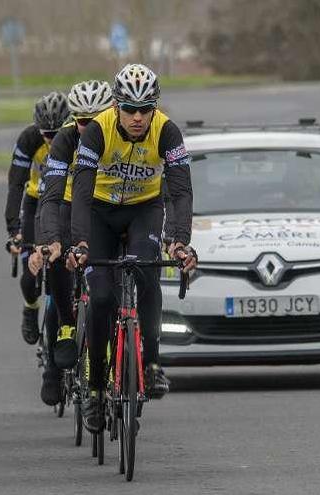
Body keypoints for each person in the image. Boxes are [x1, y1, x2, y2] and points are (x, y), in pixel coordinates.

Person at [66, 64, 197, 433]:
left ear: (154, 107)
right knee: (103, 297)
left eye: (145, 109)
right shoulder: (98, 129)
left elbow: (182, 191)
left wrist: (180, 238)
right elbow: (79, 191)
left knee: (147, 273)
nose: (137, 117)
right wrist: (79, 241)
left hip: (144, 209)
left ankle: (152, 365)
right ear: (116, 105)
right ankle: (94, 390)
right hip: (100, 212)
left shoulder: (167, 131)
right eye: (129, 108)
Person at [29, 80, 114, 406]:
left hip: (106, 210)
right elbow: (48, 195)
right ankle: (58, 350)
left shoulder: (124, 136)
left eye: (98, 120)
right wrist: (50, 242)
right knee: (58, 271)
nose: (90, 128)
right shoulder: (64, 141)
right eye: (83, 122)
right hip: (66, 206)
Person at [4, 92, 69, 346]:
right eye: (47, 135)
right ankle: (30, 307)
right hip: (35, 202)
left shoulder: (77, 137)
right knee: (30, 275)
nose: (52, 141)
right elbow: (15, 184)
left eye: (57, 134)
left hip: (65, 202)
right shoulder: (29, 138)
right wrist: (14, 230)